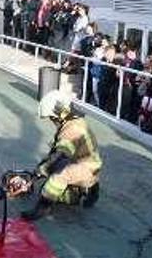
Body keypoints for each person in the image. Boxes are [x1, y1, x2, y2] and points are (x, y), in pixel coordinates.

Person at [22, 90, 102, 220]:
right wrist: (41, 168)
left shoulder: (72, 129)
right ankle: (89, 190)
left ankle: (42, 209)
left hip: (86, 167)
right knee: (48, 184)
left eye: (52, 117)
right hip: (84, 163)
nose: (52, 121)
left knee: (55, 181)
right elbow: (56, 152)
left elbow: (59, 156)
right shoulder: (71, 122)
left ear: (59, 114)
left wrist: (40, 171)